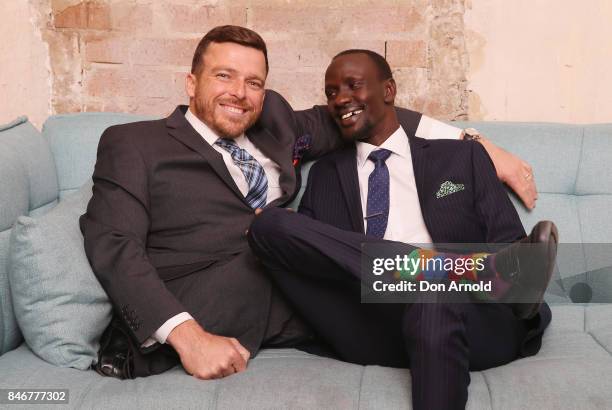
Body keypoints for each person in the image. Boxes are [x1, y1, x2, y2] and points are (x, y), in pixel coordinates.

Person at [80, 25, 540, 381]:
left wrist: (472, 141)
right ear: (190, 82)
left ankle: (449, 281)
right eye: (223, 76)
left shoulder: (275, 124)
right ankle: (453, 274)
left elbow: (371, 109)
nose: (239, 93)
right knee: (277, 229)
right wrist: (187, 336)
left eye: (254, 82)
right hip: (215, 306)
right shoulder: (134, 144)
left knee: (280, 230)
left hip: (323, 297)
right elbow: (114, 244)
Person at [247, 49, 558, 410]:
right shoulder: (325, 174)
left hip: (468, 317)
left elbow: (509, 249)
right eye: (331, 93)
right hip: (372, 321)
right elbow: (323, 260)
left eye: (353, 85)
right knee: (269, 224)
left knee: (433, 292)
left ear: (389, 90)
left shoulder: (462, 158)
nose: (340, 99)